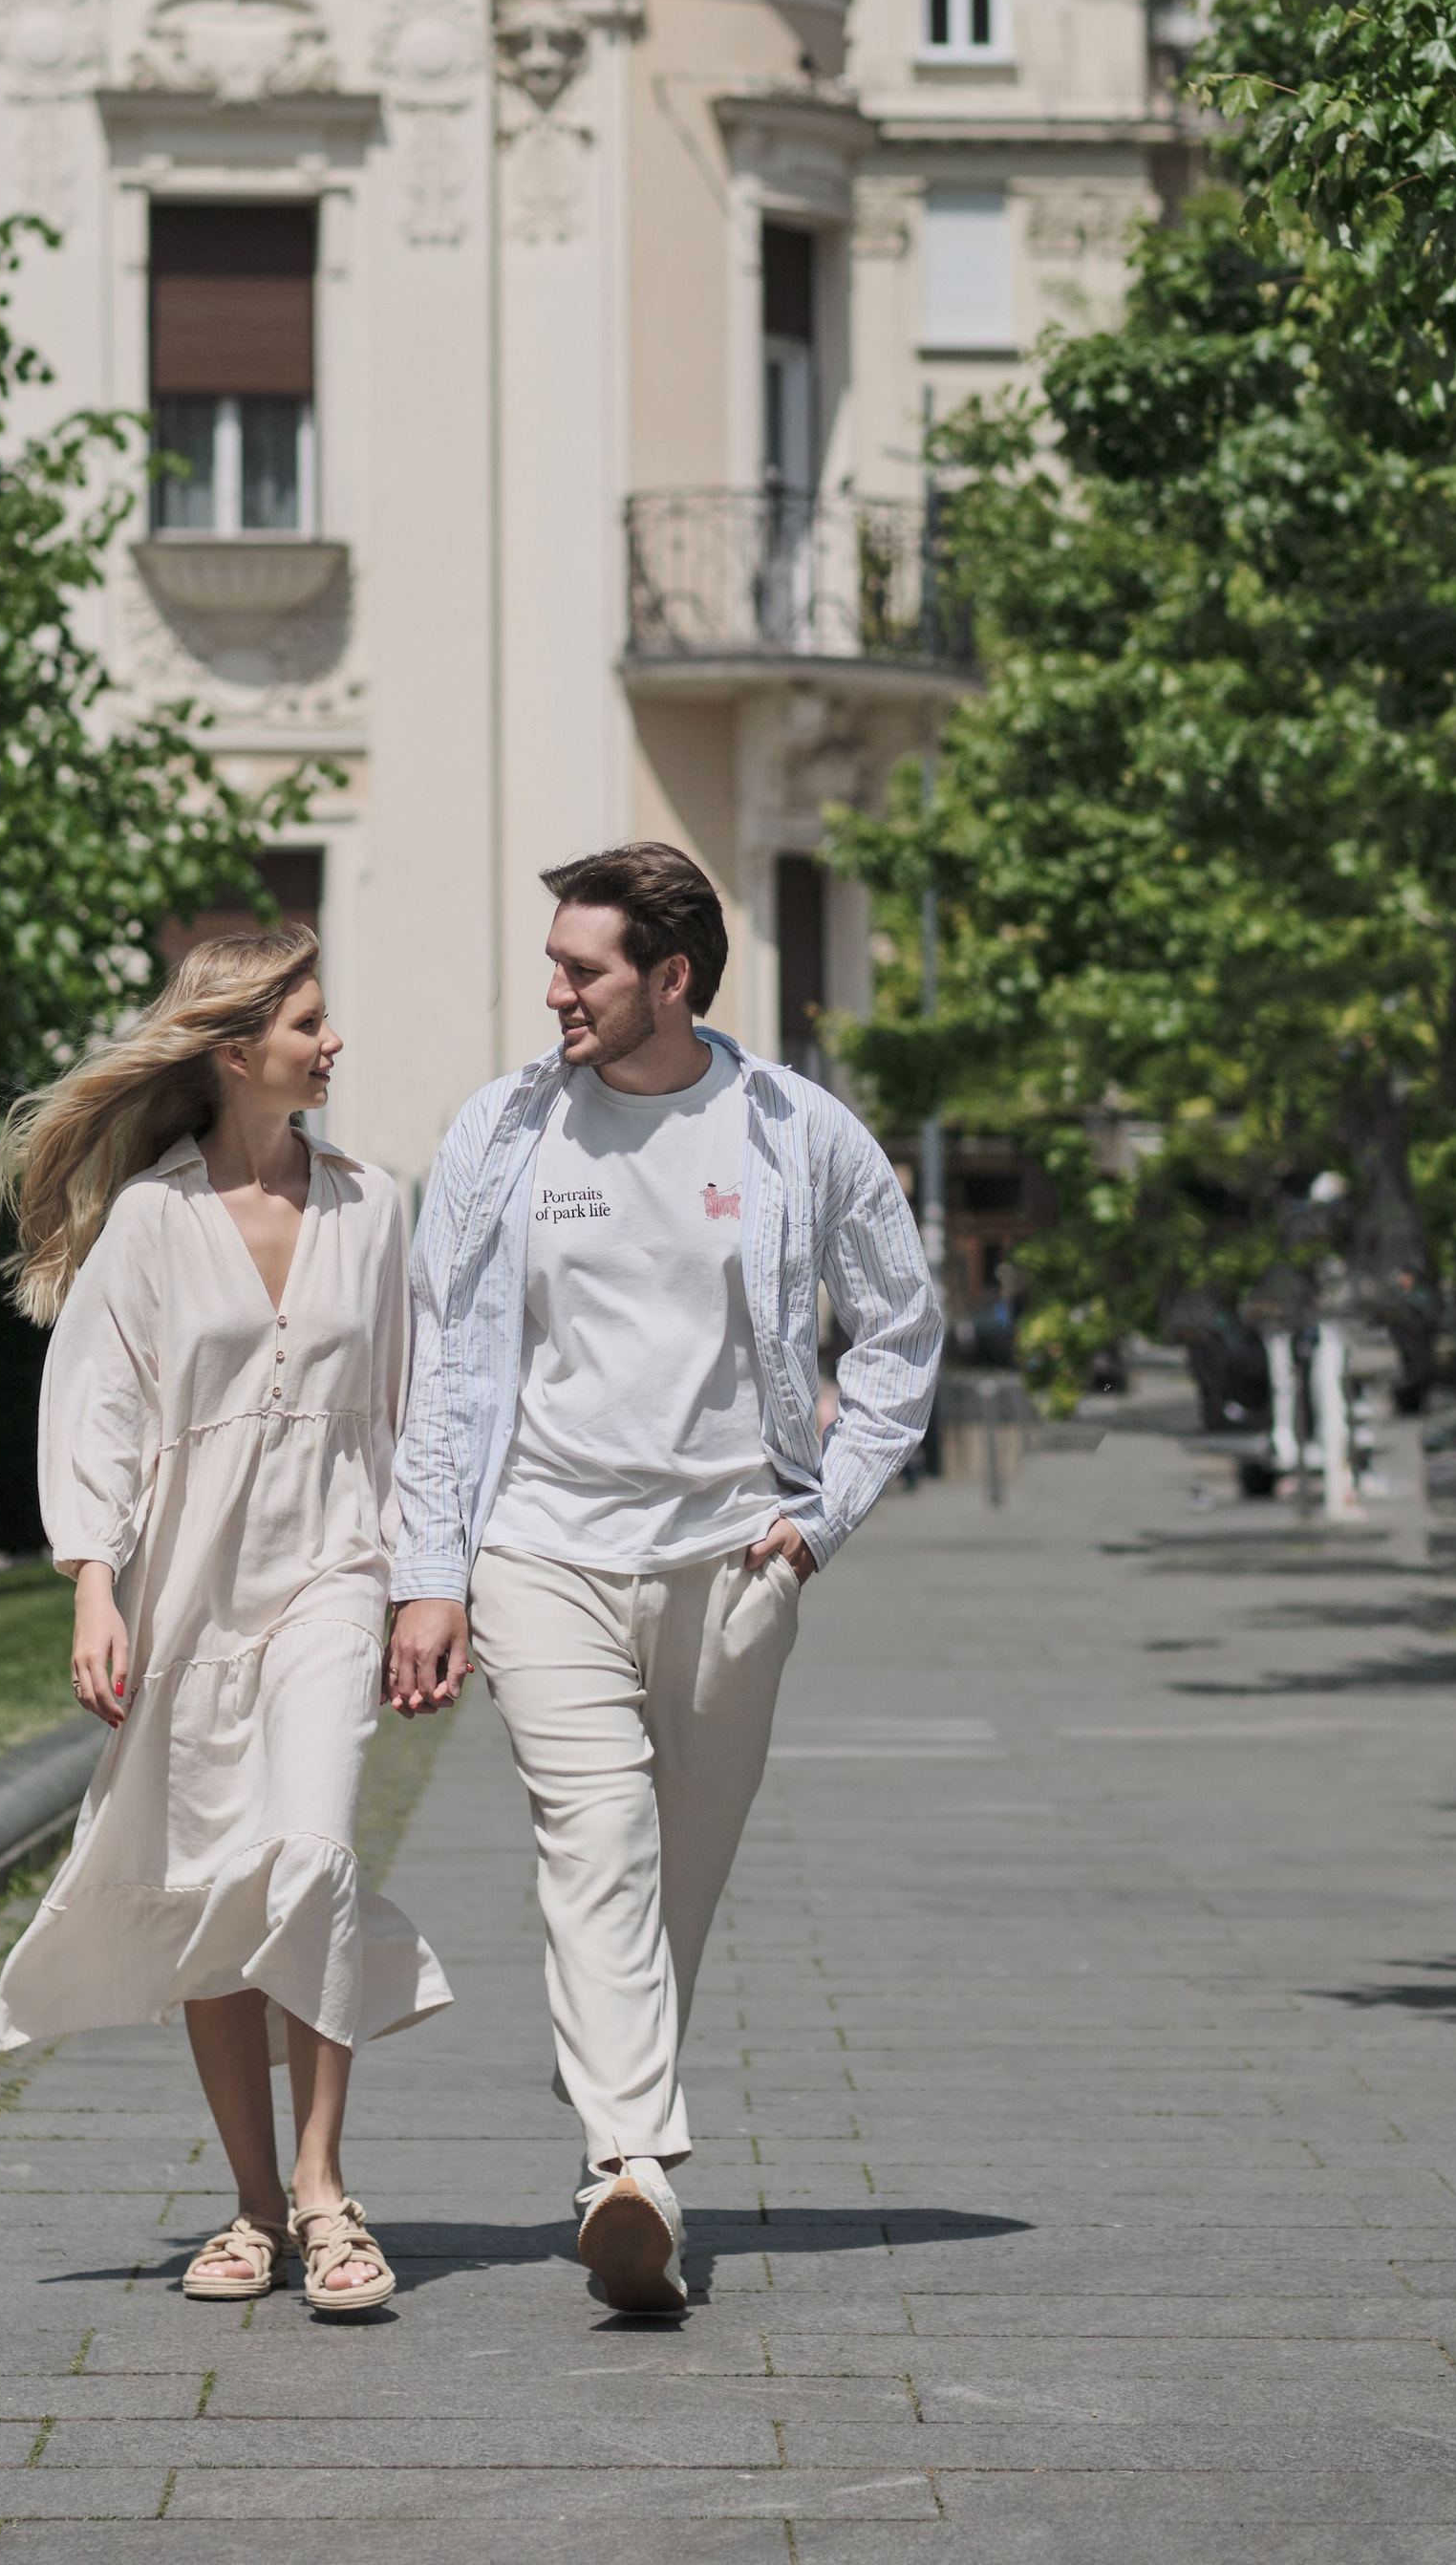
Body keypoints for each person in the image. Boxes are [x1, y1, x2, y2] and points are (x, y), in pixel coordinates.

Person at [386, 842, 941, 2317]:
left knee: (672, 1883)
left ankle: (611, 2142)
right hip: (541, 1550)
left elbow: (900, 1331)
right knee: (600, 1846)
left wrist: (823, 1519)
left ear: (672, 978)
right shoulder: (504, 1131)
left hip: (733, 1559)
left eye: (583, 970)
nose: (554, 994)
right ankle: (633, 2164)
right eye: (554, 966)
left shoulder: (798, 1135)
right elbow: (442, 1366)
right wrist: (431, 1575)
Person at [0, 924, 449, 2317]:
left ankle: (323, 2189)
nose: (334, 1041)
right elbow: (96, 1405)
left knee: (309, 1853)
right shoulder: (153, 1220)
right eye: (309, 1022)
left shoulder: (372, 1207)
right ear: (237, 1051)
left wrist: (429, 1582)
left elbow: (416, 1403)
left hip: (333, 1575)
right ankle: (254, 2206)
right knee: (213, 1882)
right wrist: (94, 1582)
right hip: (188, 1595)